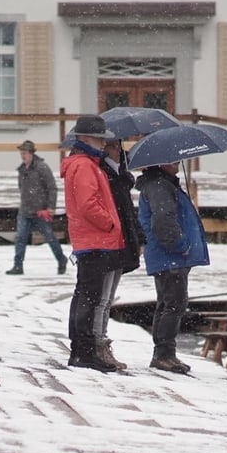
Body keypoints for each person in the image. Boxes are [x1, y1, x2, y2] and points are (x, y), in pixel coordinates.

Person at [60, 115, 126, 373]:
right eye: (99, 138)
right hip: (96, 239)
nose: (103, 143)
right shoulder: (85, 166)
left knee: (84, 295)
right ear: (85, 138)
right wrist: (110, 223)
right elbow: (89, 204)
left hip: (89, 239)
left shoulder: (82, 163)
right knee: (90, 296)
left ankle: (81, 349)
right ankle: (85, 351)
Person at [135, 161, 210, 373]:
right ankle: (164, 354)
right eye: (172, 160)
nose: (177, 162)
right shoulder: (159, 186)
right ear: (160, 163)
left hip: (168, 256)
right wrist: (180, 244)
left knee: (168, 302)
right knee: (174, 303)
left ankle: (164, 352)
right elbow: (162, 220)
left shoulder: (163, 183)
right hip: (169, 255)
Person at [93, 138, 147, 370]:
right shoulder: (105, 175)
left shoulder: (120, 177)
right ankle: (98, 344)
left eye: (117, 146)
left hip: (121, 239)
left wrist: (139, 237)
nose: (118, 151)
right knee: (102, 299)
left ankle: (102, 342)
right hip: (110, 240)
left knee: (107, 298)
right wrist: (115, 229)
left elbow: (129, 212)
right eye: (114, 147)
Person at [7, 140, 68, 276]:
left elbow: (52, 188)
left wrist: (50, 207)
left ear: (31, 153)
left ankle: (61, 259)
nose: (23, 156)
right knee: (20, 239)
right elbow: (21, 189)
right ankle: (18, 266)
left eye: (25, 153)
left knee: (50, 238)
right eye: (21, 153)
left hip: (41, 212)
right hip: (25, 211)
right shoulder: (22, 170)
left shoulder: (42, 167)